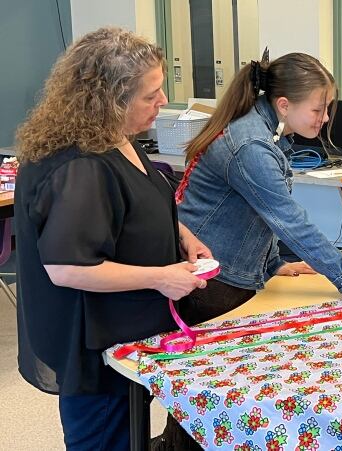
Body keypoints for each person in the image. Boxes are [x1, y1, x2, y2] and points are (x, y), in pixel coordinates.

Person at [14, 28, 211, 450]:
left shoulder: (114, 138)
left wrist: (182, 234)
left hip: (124, 329)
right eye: (150, 95)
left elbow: (138, 199)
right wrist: (160, 277)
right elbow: (68, 267)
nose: (162, 103)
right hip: (93, 339)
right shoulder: (79, 168)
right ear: (109, 99)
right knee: (103, 438)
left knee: (127, 432)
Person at [174, 51, 342, 326]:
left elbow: (259, 211)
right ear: (284, 105)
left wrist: (273, 263)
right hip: (215, 279)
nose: (325, 118)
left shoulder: (263, 128)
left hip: (225, 270)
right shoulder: (251, 145)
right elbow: (288, 220)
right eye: (317, 109)